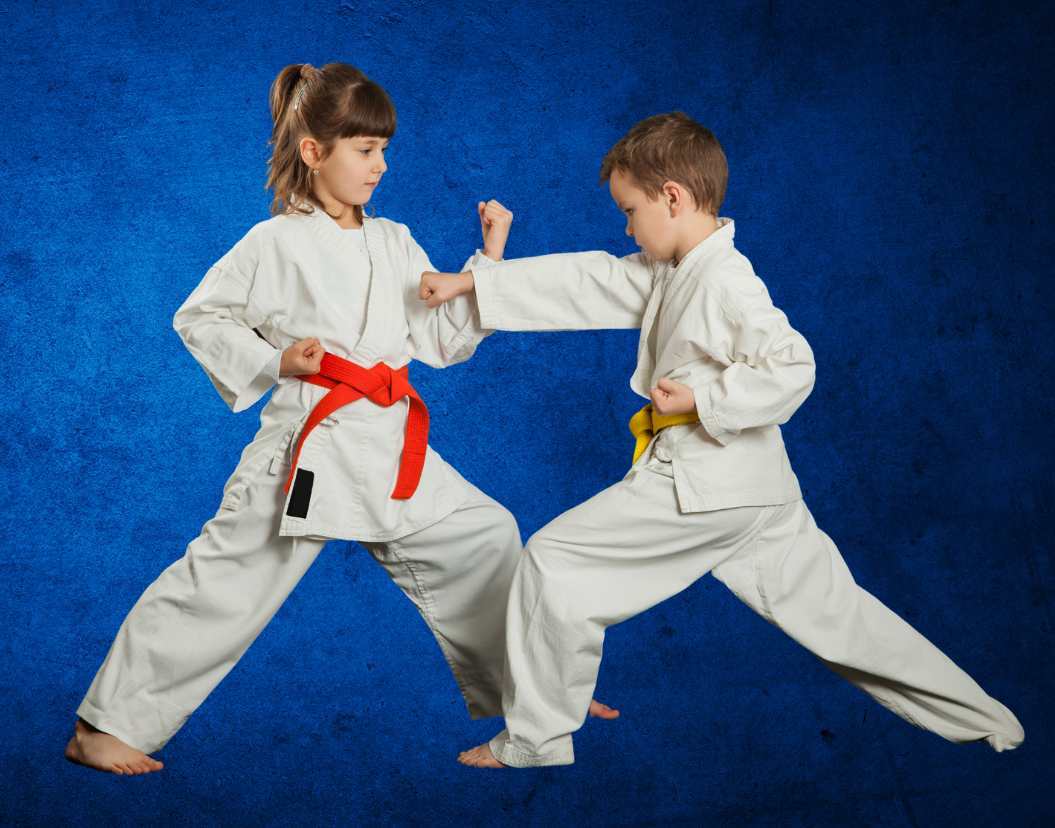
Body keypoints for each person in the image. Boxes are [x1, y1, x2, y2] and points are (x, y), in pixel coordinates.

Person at [419, 112, 1026, 768]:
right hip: (758, 490)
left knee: (552, 562)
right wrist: (474, 282)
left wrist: (703, 399)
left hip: (705, 484)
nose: (624, 227)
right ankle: (987, 720)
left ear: (671, 198)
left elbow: (794, 365)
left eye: (629, 210)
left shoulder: (725, 281)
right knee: (840, 618)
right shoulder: (675, 269)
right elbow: (587, 281)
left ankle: (533, 741)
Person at [64, 62, 532, 776]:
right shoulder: (273, 242)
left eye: (383, 148)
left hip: (386, 437)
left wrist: (488, 259)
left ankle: (532, 693)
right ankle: (105, 726)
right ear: (314, 151)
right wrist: (278, 362)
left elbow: (439, 340)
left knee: (484, 533)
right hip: (307, 450)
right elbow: (200, 317)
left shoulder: (395, 241)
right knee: (225, 582)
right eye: (364, 149)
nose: (381, 164)